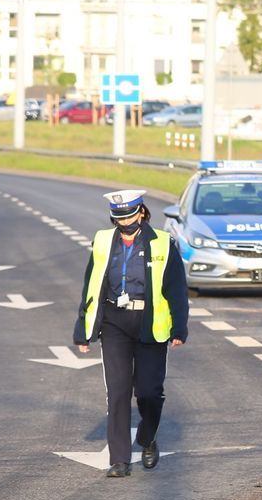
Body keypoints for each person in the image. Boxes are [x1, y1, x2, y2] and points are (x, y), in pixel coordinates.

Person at [74, 190, 188, 478]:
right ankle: (120, 460)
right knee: (118, 392)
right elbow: (91, 284)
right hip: (114, 323)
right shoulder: (102, 241)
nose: (124, 222)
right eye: (118, 217)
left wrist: (179, 326)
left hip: (150, 324)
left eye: (129, 215)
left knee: (149, 392)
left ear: (141, 213)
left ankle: (147, 438)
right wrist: (83, 329)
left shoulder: (162, 243)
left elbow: (176, 289)